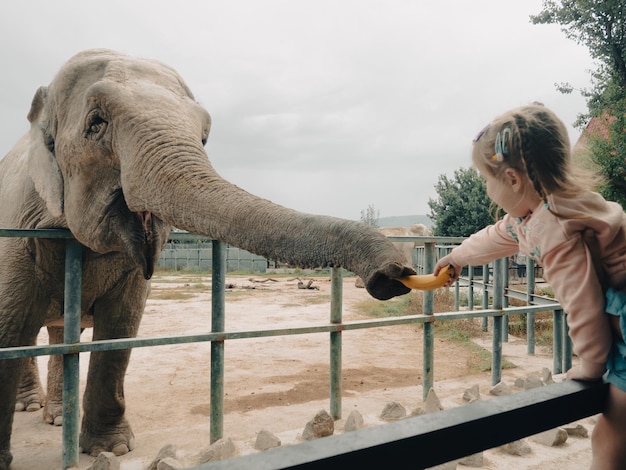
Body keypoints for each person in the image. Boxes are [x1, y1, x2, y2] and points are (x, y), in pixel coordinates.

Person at [433, 103, 626, 469]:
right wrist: (457, 258)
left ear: (512, 180)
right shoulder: (541, 212)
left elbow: (581, 303)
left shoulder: (553, 227)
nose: (487, 190)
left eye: (486, 180)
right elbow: (495, 237)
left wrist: (589, 364)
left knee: (612, 435)